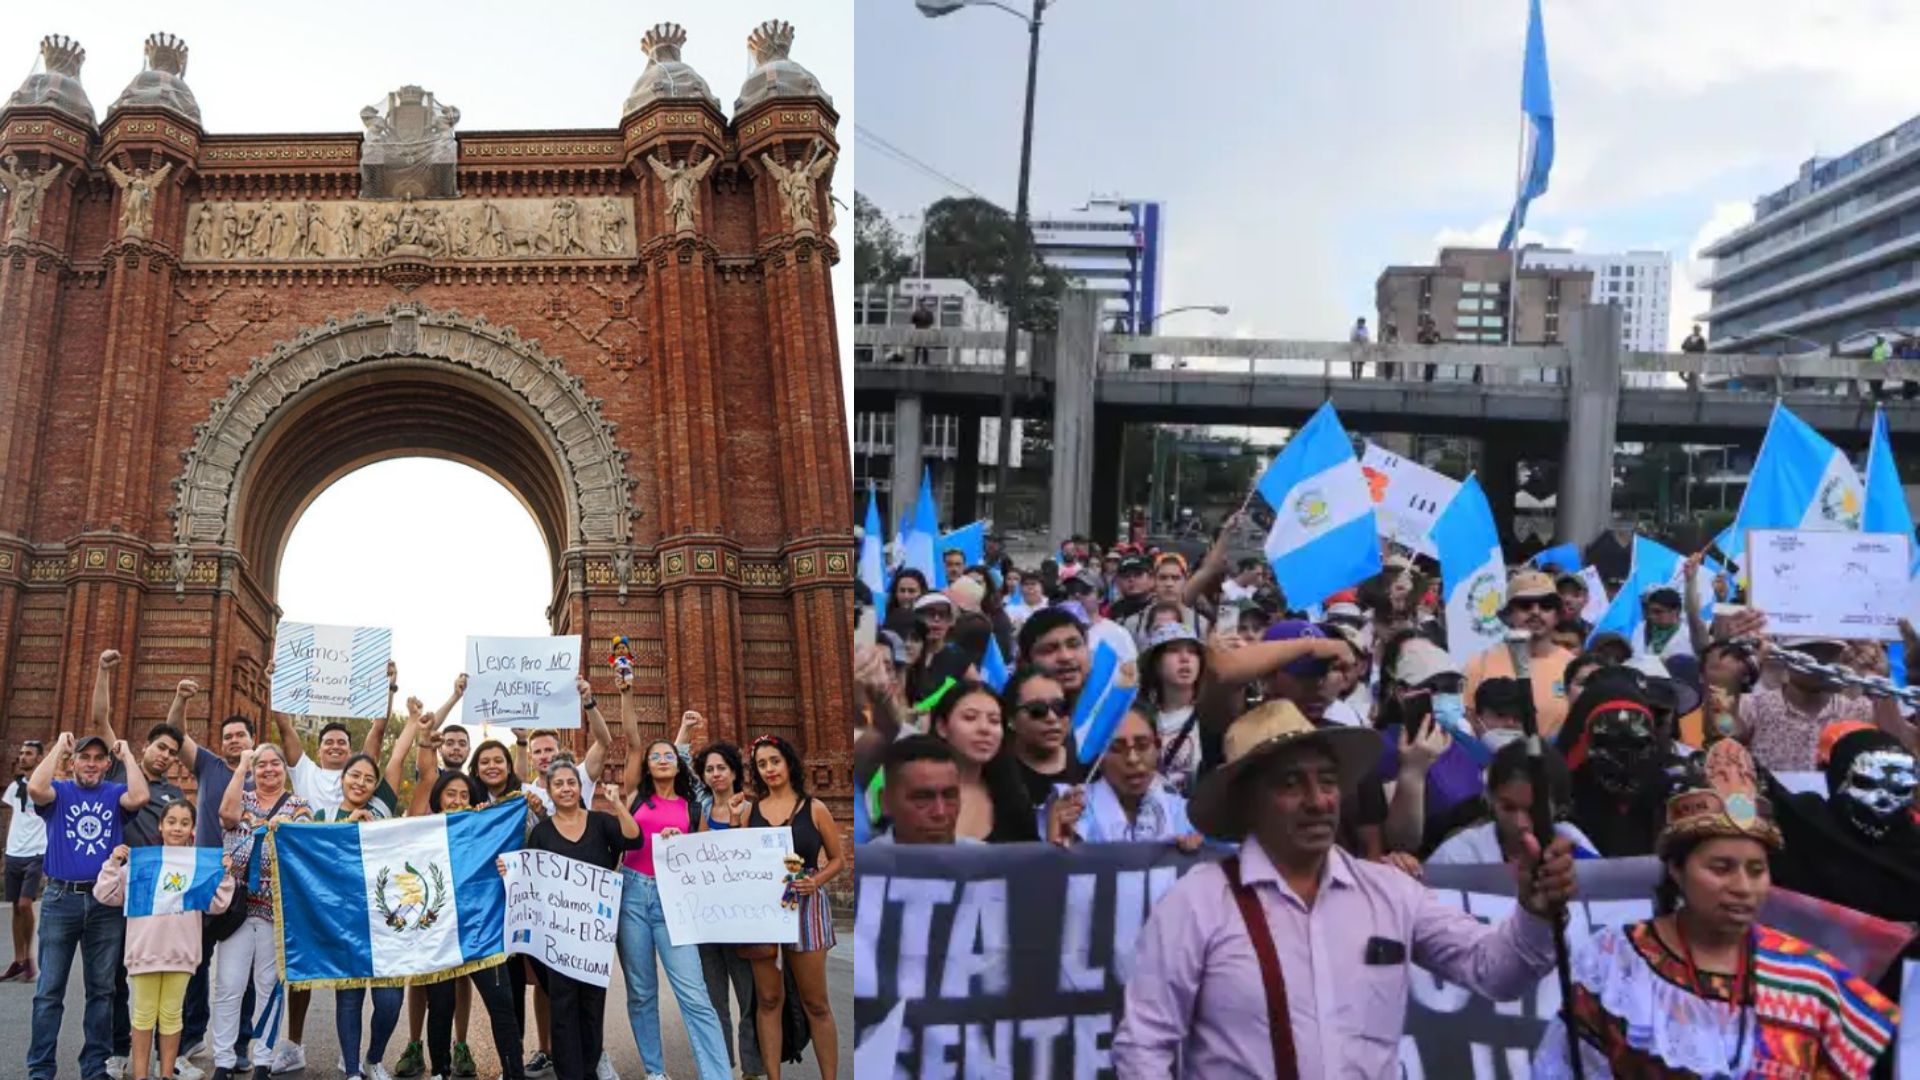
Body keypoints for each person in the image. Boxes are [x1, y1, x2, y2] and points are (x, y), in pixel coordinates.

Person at [1112, 699, 1577, 1076]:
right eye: (1291, 784)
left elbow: (1494, 971)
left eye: (1328, 781)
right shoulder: (1198, 903)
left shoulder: (1390, 893)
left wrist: (1535, 913)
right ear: (1250, 803)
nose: (1317, 801)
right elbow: (1144, 1047)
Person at [1535, 739, 1900, 1077]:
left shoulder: (1809, 978)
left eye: (1756, 870)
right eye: (1720, 868)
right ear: (1677, 870)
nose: (1742, 887)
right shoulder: (1616, 960)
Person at [612, 690, 731, 1080]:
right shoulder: (634, 797)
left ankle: (717, 1074)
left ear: (678, 766)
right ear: (647, 766)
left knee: (694, 994)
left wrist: (681, 845)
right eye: (655, 756)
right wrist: (627, 693)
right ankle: (655, 1072)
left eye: (669, 756)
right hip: (632, 895)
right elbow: (631, 738)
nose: (663, 760)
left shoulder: (692, 806)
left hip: (674, 902)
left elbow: (701, 856)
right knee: (642, 993)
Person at [26, 730, 151, 1080]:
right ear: (74, 761)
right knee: (49, 990)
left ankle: (94, 1067)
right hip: (60, 899)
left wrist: (127, 756)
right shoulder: (60, 792)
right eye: (85, 757)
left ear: (106, 764)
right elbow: (36, 788)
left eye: (98, 758)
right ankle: (40, 1069)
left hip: (104, 901)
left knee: (102, 990)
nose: (92, 764)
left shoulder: (114, 793)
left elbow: (140, 795)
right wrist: (58, 751)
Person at [510, 759, 639, 1080]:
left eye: (571, 782)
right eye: (559, 784)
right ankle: (570, 1074)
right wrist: (510, 872)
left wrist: (617, 805)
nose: (566, 788)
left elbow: (634, 839)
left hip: (594, 936)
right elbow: (531, 877)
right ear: (550, 791)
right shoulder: (541, 833)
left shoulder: (601, 823)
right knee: (563, 1007)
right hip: (557, 937)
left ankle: (589, 1068)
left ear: (580, 788)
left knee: (592, 1007)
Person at [93, 803, 236, 1080]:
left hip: (180, 953)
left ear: (192, 829)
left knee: (172, 1015)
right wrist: (113, 863)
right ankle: (140, 1075)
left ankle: (167, 1074)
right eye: (171, 821)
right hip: (145, 951)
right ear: (160, 825)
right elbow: (106, 894)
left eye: (184, 822)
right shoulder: (141, 861)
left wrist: (224, 874)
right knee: (143, 1015)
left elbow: (216, 905)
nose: (177, 828)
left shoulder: (198, 864)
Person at [742, 735, 844, 1080]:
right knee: (769, 1000)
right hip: (765, 912)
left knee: (816, 1002)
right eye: (761, 764)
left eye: (774, 761)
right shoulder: (750, 812)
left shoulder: (814, 808)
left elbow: (838, 859)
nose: (769, 769)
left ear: (788, 763)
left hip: (807, 908)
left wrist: (816, 880)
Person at [415, 771, 525, 1080]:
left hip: (482, 931)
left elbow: (510, 854)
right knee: (440, 1005)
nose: (458, 800)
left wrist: (507, 864)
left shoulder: (483, 828)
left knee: (501, 1004)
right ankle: (440, 1071)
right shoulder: (420, 831)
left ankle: (514, 1072)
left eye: (464, 795)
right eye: (451, 794)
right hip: (439, 933)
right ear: (438, 798)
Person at [213, 745, 312, 1080]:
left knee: (268, 986)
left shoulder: (298, 806)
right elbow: (226, 816)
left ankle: (263, 1060)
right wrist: (242, 766)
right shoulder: (242, 798)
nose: (269, 769)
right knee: (229, 985)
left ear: (284, 769)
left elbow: (305, 842)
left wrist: (288, 828)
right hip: (238, 907)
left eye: (276, 764)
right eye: (261, 764)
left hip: (276, 910)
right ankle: (223, 1060)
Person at [313, 753, 402, 1080]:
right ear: (342, 778)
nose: (360, 782)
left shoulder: (381, 811)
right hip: (344, 923)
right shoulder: (324, 814)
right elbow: (303, 846)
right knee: (349, 999)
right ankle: (351, 1069)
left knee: (390, 1000)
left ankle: (374, 1058)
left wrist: (411, 722)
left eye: (368, 778)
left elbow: (397, 758)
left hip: (385, 921)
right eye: (355, 775)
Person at [683, 739, 766, 1079]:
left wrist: (734, 821)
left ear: (734, 771)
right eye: (709, 770)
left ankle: (752, 1068)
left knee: (749, 998)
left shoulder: (752, 809)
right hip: (708, 923)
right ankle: (722, 1066)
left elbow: (749, 858)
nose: (715, 774)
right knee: (715, 1001)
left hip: (742, 923)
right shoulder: (701, 813)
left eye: (721, 768)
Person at [1555, 672, 1683, 857]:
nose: (1622, 757)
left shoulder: (1674, 788)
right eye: (1608, 742)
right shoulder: (1557, 796)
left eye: (1636, 743)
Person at [1043, 707, 1204, 848]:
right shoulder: (1071, 805)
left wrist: (1194, 853)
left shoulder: (1187, 813)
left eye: (1142, 745)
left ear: (1158, 747)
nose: (1132, 759)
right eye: (1116, 748)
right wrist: (1056, 839)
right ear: (1099, 757)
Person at [1427, 739, 1598, 863]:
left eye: (1534, 810)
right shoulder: (1457, 857)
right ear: (1491, 799)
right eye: (1508, 808)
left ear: (1559, 809)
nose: (1520, 823)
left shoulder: (1574, 846)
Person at [1737, 636, 1872, 771]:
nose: (1819, 663)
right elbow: (1723, 735)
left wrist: (1877, 675)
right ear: (1785, 659)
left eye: (1829, 654)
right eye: (1809, 653)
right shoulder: (1753, 706)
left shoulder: (1857, 710)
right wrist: (1731, 680)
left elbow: (1891, 747)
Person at [1464, 571, 1574, 737]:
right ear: (1509, 615)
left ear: (1557, 615)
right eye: (1525, 605)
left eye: (1546, 605)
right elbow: (1469, 725)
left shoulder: (1573, 667)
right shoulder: (1479, 664)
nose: (1536, 612)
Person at [931, 680, 1041, 842]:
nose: (984, 728)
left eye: (994, 721)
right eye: (970, 718)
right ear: (942, 727)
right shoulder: (916, 789)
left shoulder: (1013, 798)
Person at [1138, 623, 1207, 795]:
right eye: (1174, 650)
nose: (1185, 658)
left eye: (1192, 651)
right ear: (1156, 663)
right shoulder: (1140, 719)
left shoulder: (1210, 716)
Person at [871, 736, 973, 845]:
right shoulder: (864, 861)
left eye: (950, 796)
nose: (940, 812)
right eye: (922, 798)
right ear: (885, 802)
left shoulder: (984, 859)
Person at [1, 737, 46, 984]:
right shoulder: (14, 787)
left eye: (28, 753)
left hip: (37, 852)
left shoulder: (47, 786)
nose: (22, 757)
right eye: (21, 753)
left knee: (25, 904)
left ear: (39, 758)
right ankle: (18, 961)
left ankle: (29, 958)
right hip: (14, 852)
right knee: (16, 910)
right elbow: (13, 818)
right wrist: (6, 849)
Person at [1016, 607, 1093, 703]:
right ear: (1027, 662)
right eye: (1049, 650)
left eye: (1074, 645)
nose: (1066, 657)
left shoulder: (1114, 703)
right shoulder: (1008, 713)